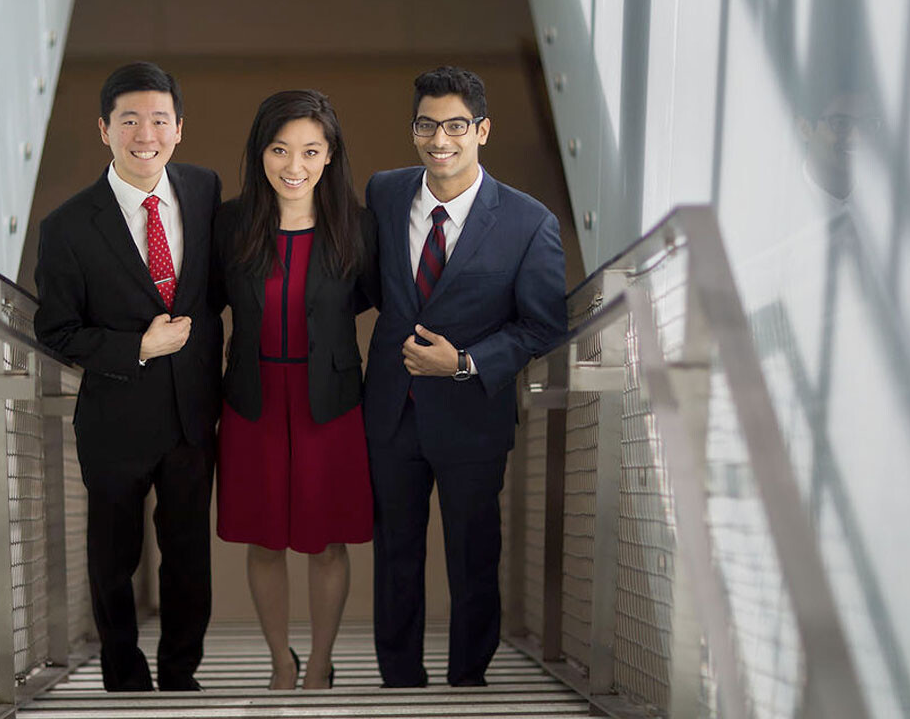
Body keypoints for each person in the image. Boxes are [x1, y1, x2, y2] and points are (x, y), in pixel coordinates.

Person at [363, 66, 566, 687]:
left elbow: (543, 325)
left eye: (455, 125)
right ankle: (399, 679)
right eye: (427, 125)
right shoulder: (385, 193)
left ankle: (467, 680)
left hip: (473, 414)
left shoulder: (529, 222)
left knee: (474, 555)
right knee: (395, 555)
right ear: (414, 129)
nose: (439, 139)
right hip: (393, 411)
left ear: (482, 129)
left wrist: (466, 363)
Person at [34, 61, 222, 692]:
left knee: (189, 556)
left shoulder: (203, 191)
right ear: (104, 130)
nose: (147, 134)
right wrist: (136, 346)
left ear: (179, 129)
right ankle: (122, 671)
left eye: (160, 120)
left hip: (193, 413)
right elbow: (55, 330)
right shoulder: (66, 227)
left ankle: (179, 673)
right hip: (114, 416)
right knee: (114, 556)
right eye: (130, 121)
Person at [213, 90, 378, 690]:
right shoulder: (230, 224)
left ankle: (319, 665)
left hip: (329, 403)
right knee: (264, 540)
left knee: (327, 541)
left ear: (330, 155)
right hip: (253, 398)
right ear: (260, 152)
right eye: (279, 149)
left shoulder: (357, 227)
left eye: (310, 151)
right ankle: (280, 661)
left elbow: (370, 300)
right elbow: (208, 304)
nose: (294, 166)